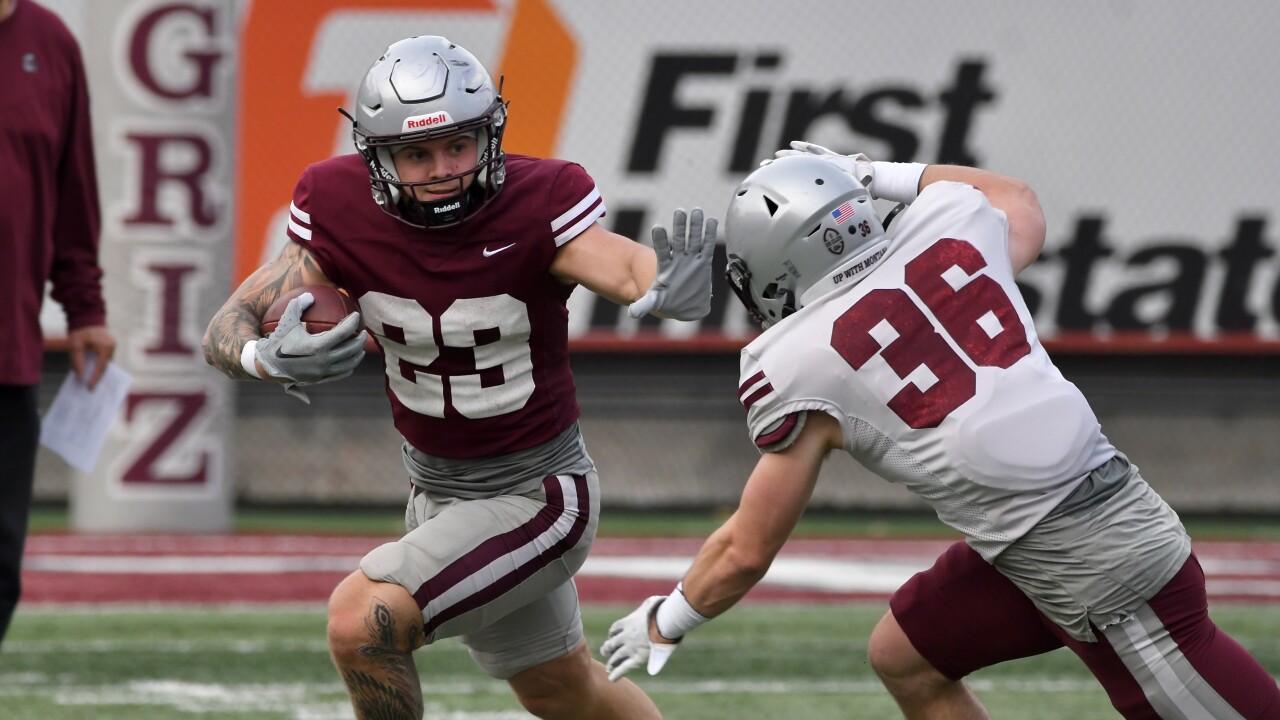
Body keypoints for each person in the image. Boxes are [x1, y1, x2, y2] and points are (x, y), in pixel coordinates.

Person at [600, 144, 1280, 719]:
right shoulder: (951, 220)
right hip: (1042, 536)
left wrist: (671, 616)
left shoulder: (794, 362)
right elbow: (1017, 198)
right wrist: (869, 170)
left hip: (1103, 568)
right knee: (906, 655)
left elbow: (746, 549)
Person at [203, 35, 715, 720]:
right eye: (416, 153)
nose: (442, 168)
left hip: (538, 494)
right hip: (435, 491)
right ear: (378, 157)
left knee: (362, 623)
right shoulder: (336, 204)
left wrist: (664, 287)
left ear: (489, 134)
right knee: (565, 693)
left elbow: (622, 268)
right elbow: (228, 324)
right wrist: (263, 357)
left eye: (458, 145)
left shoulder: (542, 198)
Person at [0, 0, 116, 648]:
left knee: (0, 571)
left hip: (9, 354)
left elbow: (74, 191)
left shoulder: (51, 43)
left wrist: (85, 309)